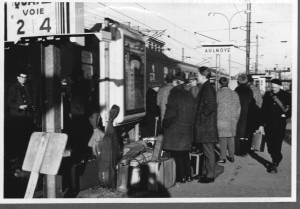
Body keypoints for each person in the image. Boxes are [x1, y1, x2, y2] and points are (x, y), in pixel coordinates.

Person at [163, 71, 194, 183]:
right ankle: (189, 175)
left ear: (176, 82)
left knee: (177, 153)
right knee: (185, 152)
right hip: (187, 128)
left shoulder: (174, 95)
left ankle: (181, 177)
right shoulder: (189, 95)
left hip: (175, 129)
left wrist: (164, 124)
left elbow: (170, 114)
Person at [258, 79, 291, 174]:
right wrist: (261, 124)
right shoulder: (268, 95)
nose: (274, 89)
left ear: (280, 86)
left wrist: (286, 115)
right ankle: (276, 157)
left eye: (275, 87)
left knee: (277, 144)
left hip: (279, 124)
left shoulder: (286, 95)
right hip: (268, 124)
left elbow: (293, 107)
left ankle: (275, 163)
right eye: (272, 87)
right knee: (270, 146)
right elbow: (263, 110)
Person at [194, 66, 218, 183]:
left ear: (203, 76)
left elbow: (210, 107)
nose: (196, 77)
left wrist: (200, 118)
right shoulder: (206, 87)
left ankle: (210, 175)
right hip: (206, 125)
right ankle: (206, 172)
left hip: (206, 126)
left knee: (208, 151)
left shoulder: (208, 88)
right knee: (206, 150)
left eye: (197, 75)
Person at [7, 70, 35, 161]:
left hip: (27, 117)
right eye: (22, 77)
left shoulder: (27, 87)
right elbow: (9, 102)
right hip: (18, 117)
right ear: (18, 77)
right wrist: (19, 106)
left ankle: (25, 157)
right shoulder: (14, 87)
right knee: (18, 137)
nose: (24, 79)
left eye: (25, 77)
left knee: (26, 137)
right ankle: (17, 158)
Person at [216, 77, 241, 163]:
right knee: (231, 139)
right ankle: (231, 156)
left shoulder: (218, 94)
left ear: (220, 84)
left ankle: (222, 157)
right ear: (228, 83)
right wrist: (236, 118)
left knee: (222, 139)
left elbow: (215, 107)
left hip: (221, 120)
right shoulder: (235, 94)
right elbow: (238, 107)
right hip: (232, 120)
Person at [234, 74, 254, 156]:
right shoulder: (250, 91)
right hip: (248, 113)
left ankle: (239, 151)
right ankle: (245, 150)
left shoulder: (237, 90)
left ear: (238, 81)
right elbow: (251, 102)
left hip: (239, 113)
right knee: (245, 133)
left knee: (239, 133)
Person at [247, 74, 263, 152]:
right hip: (257, 111)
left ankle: (248, 146)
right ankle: (254, 145)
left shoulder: (247, 89)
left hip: (249, 111)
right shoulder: (257, 89)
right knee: (254, 130)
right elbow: (260, 102)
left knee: (249, 130)